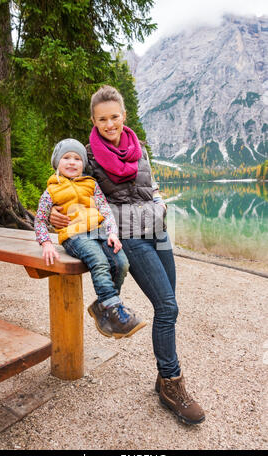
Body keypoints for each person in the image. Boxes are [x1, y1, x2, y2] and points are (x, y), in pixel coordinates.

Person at [49, 86, 205, 425]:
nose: (109, 124)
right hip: (129, 236)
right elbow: (65, 187)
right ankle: (172, 382)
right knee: (167, 306)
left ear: (124, 116)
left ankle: (163, 375)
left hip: (159, 232)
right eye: (102, 119)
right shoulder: (88, 156)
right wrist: (52, 216)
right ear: (94, 120)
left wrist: (160, 200)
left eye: (114, 117)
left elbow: (149, 185)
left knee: (169, 304)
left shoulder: (139, 148)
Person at [34, 137, 146, 339]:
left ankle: (104, 307)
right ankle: (114, 312)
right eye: (66, 157)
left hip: (99, 232)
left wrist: (112, 232)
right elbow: (40, 220)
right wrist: (46, 243)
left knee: (121, 262)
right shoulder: (51, 190)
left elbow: (105, 210)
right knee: (99, 261)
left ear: (83, 164)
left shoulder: (91, 184)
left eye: (77, 158)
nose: (71, 162)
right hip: (74, 236)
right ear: (57, 162)